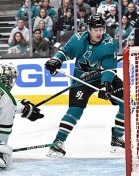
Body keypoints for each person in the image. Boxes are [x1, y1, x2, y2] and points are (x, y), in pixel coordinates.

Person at [45, 14, 125, 158]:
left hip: (103, 76)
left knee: (126, 102)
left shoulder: (110, 43)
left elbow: (109, 69)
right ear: (89, 29)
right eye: (96, 30)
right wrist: (56, 60)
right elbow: (64, 52)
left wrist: (105, 85)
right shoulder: (77, 39)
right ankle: (58, 142)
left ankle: (117, 138)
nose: (99, 33)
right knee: (74, 111)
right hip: (82, 79)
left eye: (101, 29)